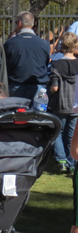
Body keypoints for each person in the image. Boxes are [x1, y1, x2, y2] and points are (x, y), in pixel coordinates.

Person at [48, 32, 78, 173]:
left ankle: (61, 160)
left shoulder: (56, 64)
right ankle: (72, 162)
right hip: (75, 104)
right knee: (71, 134)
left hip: (61, 103)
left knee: (58, 132)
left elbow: (55, 87)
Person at [4, 11, 50, 101]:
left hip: (16, 85)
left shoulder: (10, 43)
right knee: (38, 115)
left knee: (16, 114)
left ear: (19, 23)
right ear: (32, 24)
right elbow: (46, 63)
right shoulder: (44, 44)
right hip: (39, 86)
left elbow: (5, 64)